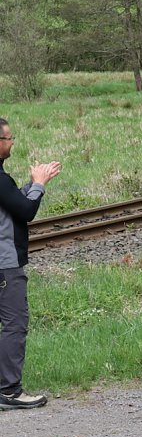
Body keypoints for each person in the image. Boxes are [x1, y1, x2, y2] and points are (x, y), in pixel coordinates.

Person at [0, 118, 61, 410]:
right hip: (5, 266)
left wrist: (34, 183)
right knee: (15, 324)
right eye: (9, 138)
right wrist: (38, 186)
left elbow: (9, 201)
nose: (12, 143)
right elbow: (25, 210)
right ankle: (9, 391)